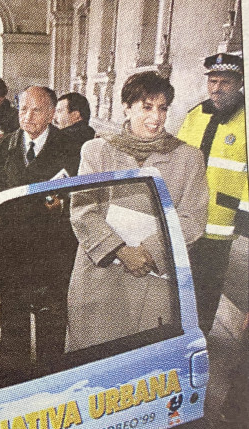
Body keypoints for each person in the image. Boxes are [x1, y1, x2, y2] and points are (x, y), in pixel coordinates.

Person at [66, 71, 208, 351]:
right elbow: (83, 209)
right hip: (100, 275)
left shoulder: (188, 158)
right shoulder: (96, 151)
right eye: (146, 107)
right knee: (92, 369)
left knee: (143, 370)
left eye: (162, 107)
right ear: (127, 108)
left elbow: (193, 218)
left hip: (154, 280)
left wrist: (149, 251)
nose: (156, 117)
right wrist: (121, 250)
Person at [0, 86, 80, 370]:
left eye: (37, 110)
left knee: (52, 337)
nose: (27, 116)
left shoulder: (73, 150)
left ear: (53, 113)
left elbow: (80, 202)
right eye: (22, 109)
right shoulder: (2, 147)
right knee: (12, 336)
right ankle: (11, 390)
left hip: (52, 259)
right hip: (12, 259)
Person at [177, 53, 248, 335]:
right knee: (180, 286)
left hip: (221, 224)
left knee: (206, 291)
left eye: (225, 82)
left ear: (239, 83)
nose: (217, 88)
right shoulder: (196, 114)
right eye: (213, 81)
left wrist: (243, 220)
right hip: (185, 219)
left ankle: (199, 340)